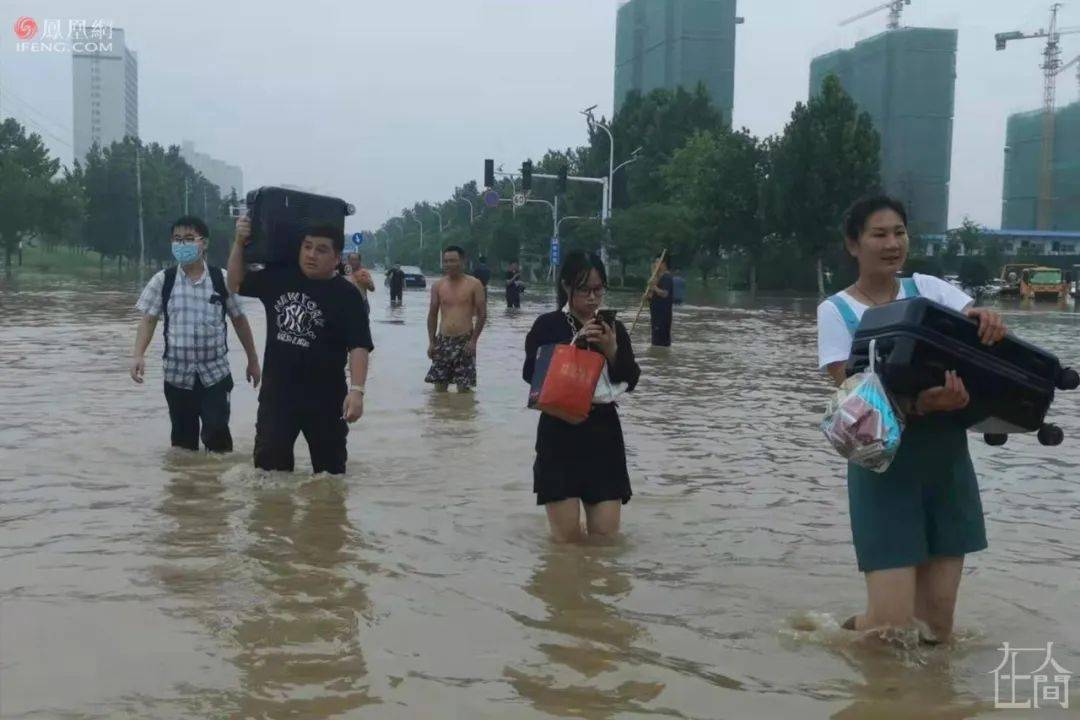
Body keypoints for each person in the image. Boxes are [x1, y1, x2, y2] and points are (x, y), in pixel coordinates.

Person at [817, 195, 1007, 643]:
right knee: (888, 628)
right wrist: (921, 405)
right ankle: (837, 640)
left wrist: (988, 322)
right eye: (879, 234)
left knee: (937, 627)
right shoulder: (837, 312)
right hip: (884, 465)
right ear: (853, 244)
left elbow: (975, 327)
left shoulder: (931, 290)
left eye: (899, 232)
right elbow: (853, 401)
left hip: (947, 462)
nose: (892, 243)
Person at [228, 218, 374, 475]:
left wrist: (358, 391)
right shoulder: (279, 278)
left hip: (327, 399)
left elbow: (359, 345)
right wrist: (239, 243)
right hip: (278, 396)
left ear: (337, 257)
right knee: (269, 475)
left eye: (321, 249)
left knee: (330, 478)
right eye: (307, 247)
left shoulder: (346, 294)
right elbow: (235, 284)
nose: (311, 255)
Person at [523, 250, 641, 542]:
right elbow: (531, 374)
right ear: (566, 287)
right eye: (585, 289)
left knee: (606, 539)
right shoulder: (547, 325)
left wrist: (612, 350)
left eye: (598, 289)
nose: (592, 297)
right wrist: (574, 346)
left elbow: (632, 378)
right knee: (566, 541)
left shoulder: (613, 328)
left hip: (603, 433)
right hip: (559, 431)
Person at [131, 216, 261, 452]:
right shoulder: (163, 280)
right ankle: (186, 487)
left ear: (204, 243)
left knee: (217, 438)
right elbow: (148, 320)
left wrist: (252, 360)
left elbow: (239, 321)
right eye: (177, 240)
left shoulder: (221, 279)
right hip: (177, 377)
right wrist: (138, 355)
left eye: (189, 239)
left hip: (215, 376)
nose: (182, 245)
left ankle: (215, 485)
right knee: (182, 446)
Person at [425, 245, 486, 392]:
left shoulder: (474, 284)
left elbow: (482, 314)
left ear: (462, 261)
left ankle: (462, 414)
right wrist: (432, 342)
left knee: (464, 391)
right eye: (445, 261)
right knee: (439, 390)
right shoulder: (438, 285)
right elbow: (432, 314)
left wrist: (473, 341)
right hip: (443, 341)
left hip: (465, 341)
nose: (448, 265)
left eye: (452, 261)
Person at [647, 253, 674, 346]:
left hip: (663, 316)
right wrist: (648, 294)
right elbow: (651, 296)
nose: (655, 264)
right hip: (655, 316)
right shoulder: (657, 278)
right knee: (655, 342)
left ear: (663, 264)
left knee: (661, 343)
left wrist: (653, 287)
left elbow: (665, 294)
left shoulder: (667, 277)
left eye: (657, 262)